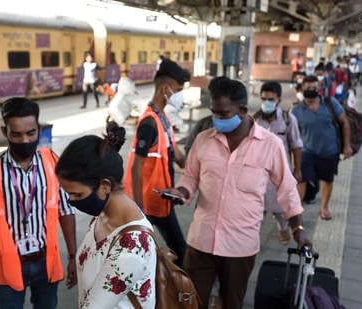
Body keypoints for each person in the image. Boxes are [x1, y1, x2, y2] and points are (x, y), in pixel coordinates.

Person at [162, 76, 311, 309]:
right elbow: (191, 176)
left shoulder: (270, 145)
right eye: (213, 113)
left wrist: (298, 229)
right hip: (201, 241)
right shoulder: (203, 140)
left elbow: (287, 187)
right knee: (190, 302)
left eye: (223, 114)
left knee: (232, 302)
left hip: (240, 247)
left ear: (242, 111)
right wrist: (182, 191)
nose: (216, 120)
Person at [0, 97, 77, 309]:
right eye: (16, 134)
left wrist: (73, 256)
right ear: (4, 131)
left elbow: (65, 211)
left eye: (31, 133)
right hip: (9, 265)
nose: (25, 141)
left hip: (46, 262)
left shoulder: (52, 162)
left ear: (38, 128)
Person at [55, 122, 157, 308]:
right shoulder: (103, 214)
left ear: (105, 186)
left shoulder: (131, 245)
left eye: (77, 194)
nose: (71, 201)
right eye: (68, 193)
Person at [123, 59, 189, 267]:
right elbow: (135, 167)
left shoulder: (163, 118)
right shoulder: (149, 123)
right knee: (179, 250)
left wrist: (198, 174)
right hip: (148, 203)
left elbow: (177, 155)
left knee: (173, 248)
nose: (180, 96)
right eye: (178, 90)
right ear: (164, 89)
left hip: (162, 198)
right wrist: (140, 209)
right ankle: (181, 293)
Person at [291, 75, 353, 220]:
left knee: (327, 180)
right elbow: (293, 135)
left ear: (319, 89)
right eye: (308, 88)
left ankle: (324, 207)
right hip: (307, 151)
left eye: (314, 88)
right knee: (301, 181)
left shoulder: (331, 103)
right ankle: (296, 212)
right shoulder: (296, 111)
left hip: (329, 151)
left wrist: (347, 145)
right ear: (302, 90)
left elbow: (344, 122)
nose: (312, 90)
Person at [253, 81, 303, 245]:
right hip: (259, 174)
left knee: (281, 209)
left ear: (279, 100)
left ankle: (283, 228)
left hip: (281, 173)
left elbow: (296, 144)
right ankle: (253, 240)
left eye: (271, 100)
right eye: (264, 99)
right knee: (257, 209)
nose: (267, 103)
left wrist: (297, 169)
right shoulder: (255, 120)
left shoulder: (288, 119)